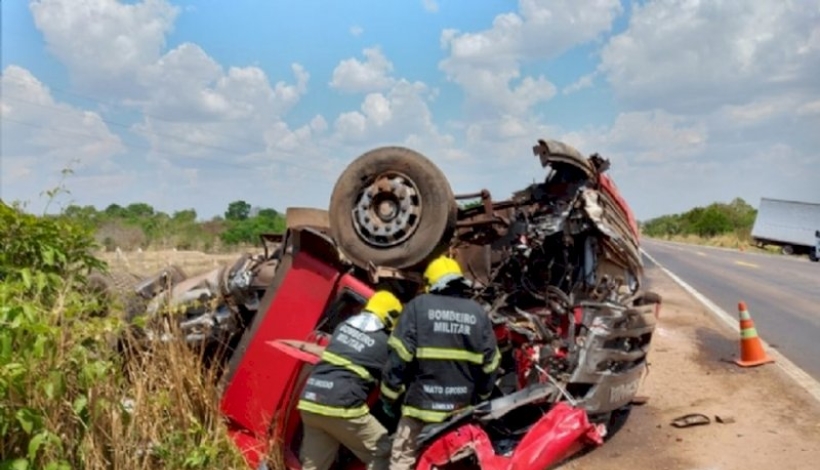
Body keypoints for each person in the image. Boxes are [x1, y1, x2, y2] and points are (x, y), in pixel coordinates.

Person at [379, 255, 501, 470]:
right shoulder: (478, 313)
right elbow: (491, 366)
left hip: (419, 410)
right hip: (460, 415)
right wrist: (480, 397)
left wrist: (389, 399)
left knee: (403, 461)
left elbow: (398, 359)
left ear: (430, 283)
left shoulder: (418, 307)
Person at [297, 290, 404, 470]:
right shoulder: (384, 342)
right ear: (390, 317)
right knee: (383, 450)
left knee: (313, 466)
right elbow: (392, 383)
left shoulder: (343, 327)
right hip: (341, 406)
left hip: (310, 401)